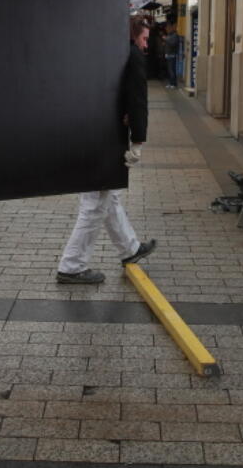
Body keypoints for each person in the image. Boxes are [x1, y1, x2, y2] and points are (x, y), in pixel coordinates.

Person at [56, 15, 157, 284]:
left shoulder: (99, 54)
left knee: (107, 197)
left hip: (87, 133)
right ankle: (71, 266)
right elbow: (138, 100)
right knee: (94, 203)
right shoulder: (131, 55)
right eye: (145, 38)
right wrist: (138, 141)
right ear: (134, 35)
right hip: (100, 139)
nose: (145, 46)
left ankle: (130, 248)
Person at [163, 22, 182, 89]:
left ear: (171, 28)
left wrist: (166, 39)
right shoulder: (169, 35)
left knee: (172, 70)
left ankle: (173, 83)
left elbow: (173, 43)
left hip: (172, 55)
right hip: (168, 54)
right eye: (166, 28)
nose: (166, 29)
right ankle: (170, 83)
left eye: (168, 28)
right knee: (169, 70)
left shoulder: (174, 35)